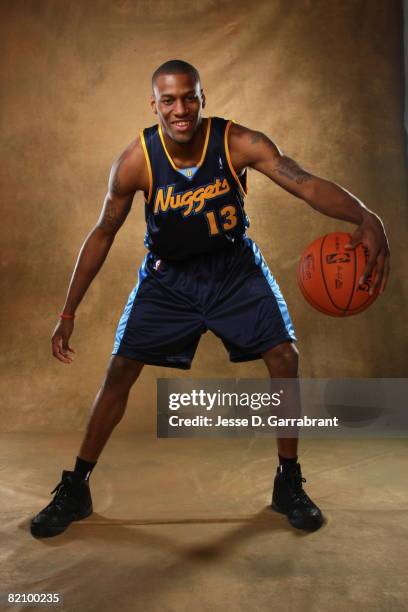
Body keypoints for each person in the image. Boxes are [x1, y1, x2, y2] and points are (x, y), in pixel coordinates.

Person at [30, 60, 390, 538]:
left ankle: (288, 481)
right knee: (119, 371)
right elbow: (103, 233)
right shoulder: (135, 161)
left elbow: (304, 183)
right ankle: (75, 487)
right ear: (154, 104)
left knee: (285, 357)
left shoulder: (238, 142)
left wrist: (367, 217)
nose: (180, 109)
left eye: (189, 97)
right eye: (169, 100)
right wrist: (68, 311)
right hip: (168, 280)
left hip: (233, 271)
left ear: (202, 97)